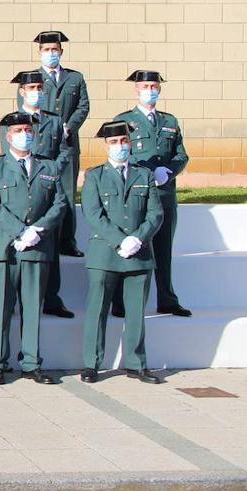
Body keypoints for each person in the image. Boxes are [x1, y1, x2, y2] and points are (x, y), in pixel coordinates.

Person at [0, 112, 66, 386]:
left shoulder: (49, 167)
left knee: (32, 307)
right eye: (18, 130)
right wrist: (19, 230)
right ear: (8, 136)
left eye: (28, 129)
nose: (24, 134)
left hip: (37, 246)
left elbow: (60, 203)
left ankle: (31, 363)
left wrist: (36, 231)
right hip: (5, 247)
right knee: (2, 306)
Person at [81, 121, 165, 384]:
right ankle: (91, 363)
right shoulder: (94, 176)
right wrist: (120, 240)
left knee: (136, 311)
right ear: (106, 145)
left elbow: (155, 213)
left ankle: (136, 363)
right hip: (104, 252)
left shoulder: (144, 175)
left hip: (138, 253)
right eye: (114, 142)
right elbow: (93, 214)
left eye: (124, 141)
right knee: (97, 310)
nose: (120, 146)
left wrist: (137, 238)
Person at [113, 70, 191, 318]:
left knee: (164, 250)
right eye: (146, 86)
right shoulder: (124, 120)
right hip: (137, 195)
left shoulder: (170, 121)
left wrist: (169, 171)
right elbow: (120, 154)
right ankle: (121, 301)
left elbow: (181, 154)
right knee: (132, 247)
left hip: (165, 194)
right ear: (136, 89)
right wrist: (148, 172)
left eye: (154, 86)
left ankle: (167, 299)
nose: (150, 90)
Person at [0, 71, 74, 319]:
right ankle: (14, 299)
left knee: (50, 243)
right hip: (20, 188)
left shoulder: (54, 120)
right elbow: (7, 155)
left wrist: (51, 170)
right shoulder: (13, 121)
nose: (36, 92)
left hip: (47, 185)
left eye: (40, 87)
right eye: (31, 87)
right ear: (22, 91)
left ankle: (51, 298)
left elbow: (65, 150)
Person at [36, 30, 89, 257]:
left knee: (67, 193)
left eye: (54, 50)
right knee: (42, 193)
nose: (51, 53)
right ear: (40, 52)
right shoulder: (31, 79)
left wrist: (68, 126)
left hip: (67, 144)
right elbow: (28, 111)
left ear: (61, 51)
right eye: (46, 50)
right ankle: (43, 238)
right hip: (42, 146)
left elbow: (83, 106)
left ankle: (67, 241)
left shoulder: (75, 78)